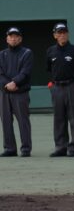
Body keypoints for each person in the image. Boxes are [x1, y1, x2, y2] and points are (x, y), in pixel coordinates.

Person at [46, 22, 74, 157]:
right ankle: (61, 147)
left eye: (64, 32)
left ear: (68, 34)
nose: (62, 35)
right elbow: (49, 68)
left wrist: (72, 81)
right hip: (57, 87)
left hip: (71, 86)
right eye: (59, 33)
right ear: (55, 35)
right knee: (59, 118)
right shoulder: (50, 51)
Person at [0, 27, 33, 157]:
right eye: (11, 36)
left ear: (20, 38)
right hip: (5, 93)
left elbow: (25, 72)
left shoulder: (27, 53)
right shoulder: (2, 54)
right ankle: (10, 149)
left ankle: (25, 148)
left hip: (20, 92)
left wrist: (14, 83)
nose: (13, 39)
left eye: (16, 36)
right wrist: (8, 85)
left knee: (23, 121)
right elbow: (0, 73)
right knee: (6, 121)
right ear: (7, 39)